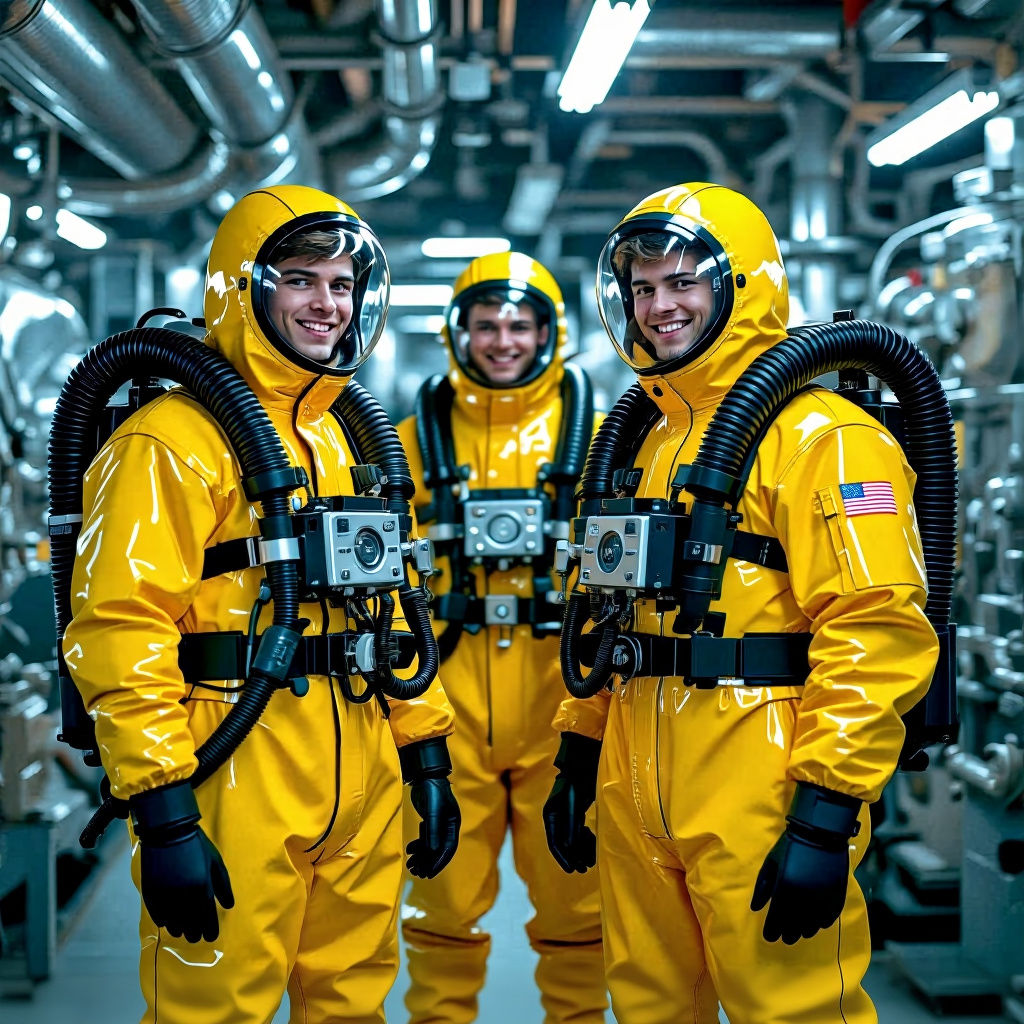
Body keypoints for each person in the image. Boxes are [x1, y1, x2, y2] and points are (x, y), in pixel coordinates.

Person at [544, 182, 941, 1023]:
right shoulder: (648, 439)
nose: (659, 307)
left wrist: (829, 808)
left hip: (763, 779)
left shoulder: (826, 437)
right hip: (633, 775)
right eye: (642, 287)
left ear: (740, 284)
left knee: (793, 1010)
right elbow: (605, 611)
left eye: (683, 281)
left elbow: (876, 627)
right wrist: (578, 752)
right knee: (649, 1007)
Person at [62, 184, 459, 1024]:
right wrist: (164, 807)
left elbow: (390, 602)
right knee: (213, 1008)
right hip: (231, 769)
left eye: (344, 284)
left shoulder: (343, 434)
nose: (328, 304)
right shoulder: (171, 439)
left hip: (362, 769)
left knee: (353, 1006)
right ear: (245, 289)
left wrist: (424, 752)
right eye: (302, 279)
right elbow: (118, 626)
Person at [397, 251, 607, 1024]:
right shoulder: (410, 439)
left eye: (521, 324)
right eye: (485, 325)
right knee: (441, 916)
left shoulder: (599, 434)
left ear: (551, 332)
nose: (503, 340)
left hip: (565, 711)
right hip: (446, 710)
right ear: (459, 332)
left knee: (580, 918)